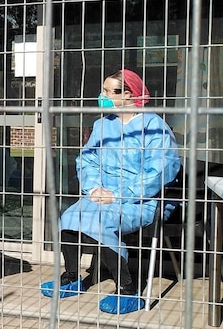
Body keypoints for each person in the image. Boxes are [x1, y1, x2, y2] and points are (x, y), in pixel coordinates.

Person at [40, 69, 181, 314]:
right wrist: (94, 188)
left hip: (142, 199)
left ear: (128, 94)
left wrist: (119, 194)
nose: (103, 96)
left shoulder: (155, 127)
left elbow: (160, 170)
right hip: (102, 194)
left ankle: (127, 289)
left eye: (109, 91)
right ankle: (72, 277)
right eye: (103, 90)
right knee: (69, 218)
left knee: (101, 221)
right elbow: (87, 160)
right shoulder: (103, 125)